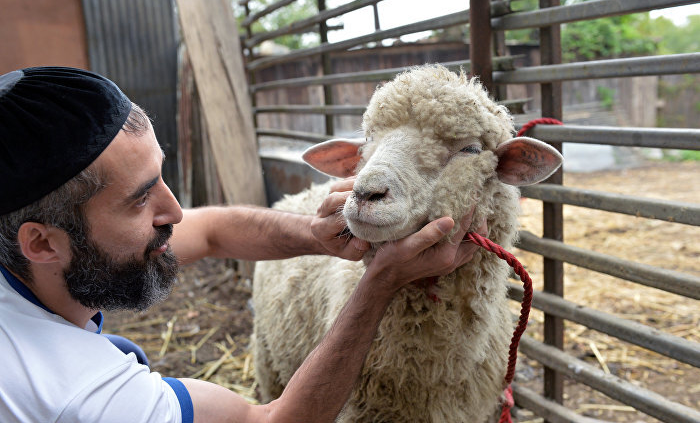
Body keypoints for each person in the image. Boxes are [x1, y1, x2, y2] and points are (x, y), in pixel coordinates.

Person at [0, 67, 485, 423]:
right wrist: (381, 282)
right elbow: (273, 421)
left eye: (161, 177)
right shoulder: (89, 399)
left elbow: (211, 231)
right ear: (41, 242)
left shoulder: (27, 253)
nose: (175, 213)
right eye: (140, 199)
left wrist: (314, 235)